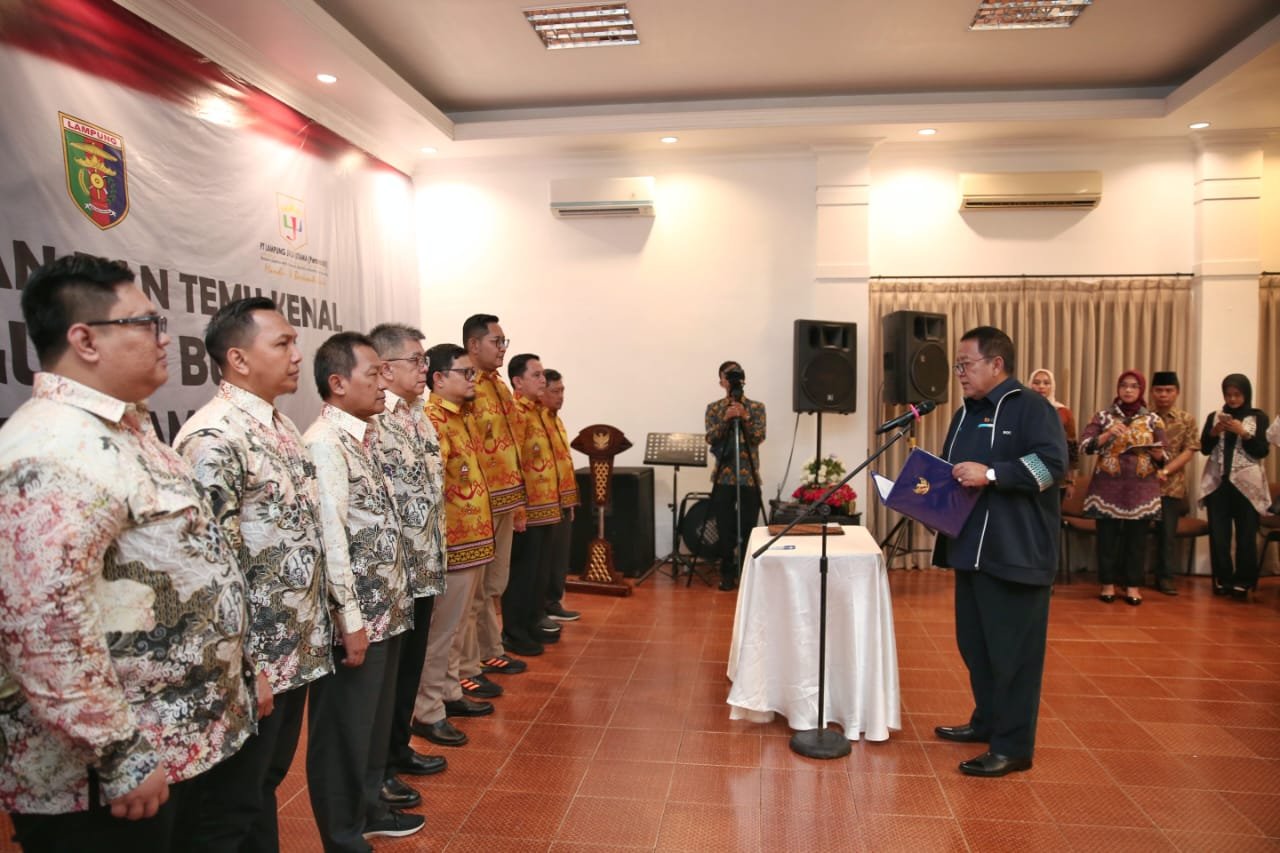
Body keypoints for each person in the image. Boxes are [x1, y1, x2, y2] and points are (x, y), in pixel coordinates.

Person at [0, 255, 255, 852]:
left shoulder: (125, 429)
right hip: (110, 780)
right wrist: (120, 755)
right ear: (85, 340)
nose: (164, 338)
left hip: (180, 746)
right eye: (145, 323)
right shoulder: (50, 448)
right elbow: (43, 626)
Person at [175, 297, 333, 853]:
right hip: (254, 660)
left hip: (292, 647)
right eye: (282, 343)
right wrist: (249, 667)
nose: (297, 355)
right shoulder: (214, 438)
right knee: (232, 806)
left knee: (262, 785)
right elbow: (213, 567)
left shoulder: (278, 424)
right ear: (238, 359)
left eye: (294, 342)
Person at [931, 326, 1066, 778]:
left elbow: (1052, 467)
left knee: (1014, 658)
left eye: (966, 364)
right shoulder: (964, 414)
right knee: (976, 647)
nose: (959, 373)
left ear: (997, 364)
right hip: (970, 550)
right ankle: (986, 721)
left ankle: (1013, 747)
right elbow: (954, 473)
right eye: (957, 366)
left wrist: (991, 474)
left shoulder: (1031, 407)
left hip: (1016, 553)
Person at [303, 333, 421, 848]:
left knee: (370, 725)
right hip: (358, 618)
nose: (382, 385)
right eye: (372, 374)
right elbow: (331, 537)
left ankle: (369, 807)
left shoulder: (361, 435)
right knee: (344, 732)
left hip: (386, 609)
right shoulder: (325, 443)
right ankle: (343, 834)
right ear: (337, 383)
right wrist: (348, 617)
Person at [368, 324, 450, 807]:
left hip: (424, 565)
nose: (425, 369)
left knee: (410, 667)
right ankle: (379, 767)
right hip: (394, 572)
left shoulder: (418, 415)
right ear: (385, 368)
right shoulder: (376, 420)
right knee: (388, 679)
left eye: (424, 361)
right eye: (416, 361)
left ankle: (398, 748)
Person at [412, 344, 499, 750]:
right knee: (442, 632)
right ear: (439, 378)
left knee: (458, 628)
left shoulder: (459, 418)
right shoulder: (432, 422)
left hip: (474, 540)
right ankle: (427, 710)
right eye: (465, 373)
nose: (472, 379)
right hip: (454, 545)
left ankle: (448, 692)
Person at [464, 313, 534, 665]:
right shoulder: (467, 386)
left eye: (505, 341)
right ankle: (473, 660)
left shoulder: (498, 385)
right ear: (474, 345)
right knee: (474, 588)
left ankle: (492, 650)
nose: (503, 348)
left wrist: (519, 502)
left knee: (494, 583)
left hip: (508, 497)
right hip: (482, 500)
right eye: (497, 341)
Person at [1079, 371, 1167, 606]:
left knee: (1136, 541)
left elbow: (1164, 454)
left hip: (1142, 488)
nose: (1128, 390)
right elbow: (1085, 446)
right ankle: (1107, 584)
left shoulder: (1153, 419)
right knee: (1107, 540)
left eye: (1134, 386)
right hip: (1108, 488)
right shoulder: (1103, 416)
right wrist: (1108, 433)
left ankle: (1132, 586)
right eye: (1124, 386)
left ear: (1141, 390)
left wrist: (1158, 454)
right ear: (1118, 389)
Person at [503, 353, 564, 648]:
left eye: (542, 375)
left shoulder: (540, 411)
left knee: (540, 573)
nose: (542, 380)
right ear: (518, 381)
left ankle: (533, 621)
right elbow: (512, 460)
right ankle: (515, 632)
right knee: (523, 574)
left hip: (547, 506)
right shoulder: (516, 412)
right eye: (536, 375)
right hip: (528, 508)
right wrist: (518, 506)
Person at [1200, 374, 1270, 599]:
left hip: (1246, 485)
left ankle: (1244, 581)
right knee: (1219, 535)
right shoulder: (1214, 417)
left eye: (1237, 395)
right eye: (1228, 395)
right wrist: (1214, 432)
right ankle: (1223, 579)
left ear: (1246, 394)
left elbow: (1262, 451)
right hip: (1219, 484)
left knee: (1246, 535)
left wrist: (1244, 433)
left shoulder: (1259, 417)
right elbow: (1204, 448)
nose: (1232, 399)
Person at [704, 360, 766, 591]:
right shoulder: (714, 408)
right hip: (724, 477)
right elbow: (710, 438)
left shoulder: (756, 407)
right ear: (721, 382)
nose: (731, 380)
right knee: (725, 526)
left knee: (749, 525)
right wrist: (726, 419)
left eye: (735, 375)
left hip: (749, 477)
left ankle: (748, 571)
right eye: (727, 376)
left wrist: (745, 417)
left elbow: (758, 437)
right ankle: (727, 572)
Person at [1148, 371, 1199, 595]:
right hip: (1142, 485)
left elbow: (1189, 451)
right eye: (1159, 390)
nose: (1163, 395)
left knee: (1167, 534)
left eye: (1168, 390)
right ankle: (1132, 575)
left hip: (1171, 485)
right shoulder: (1144, 418)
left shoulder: (1186, 419)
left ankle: (1165, 577)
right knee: (1136, 532)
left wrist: (1166, 470)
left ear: (1177, 392)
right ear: (1152, 392)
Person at [539, 368, 581, 622]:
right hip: (545, 501)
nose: (560, 396)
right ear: (542, 392)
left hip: (563, 498)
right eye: (555, 391)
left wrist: (570, 500)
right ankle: (541, 606)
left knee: (560, 556)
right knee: (545, 557)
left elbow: (563, 461)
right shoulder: (537, 420)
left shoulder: (556, 420)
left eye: (562, 390)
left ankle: (553, 601)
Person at [1028, 368, 1079, 497]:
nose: (1041, 386)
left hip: (1056, 476)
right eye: (1036, 382)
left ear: (1052, 386)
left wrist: (1071, 481)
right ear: (1029, 385)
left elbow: (1071, 447)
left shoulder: (1063, 412)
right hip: (1027, 476)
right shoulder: (1022, 411)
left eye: (1046, 383)